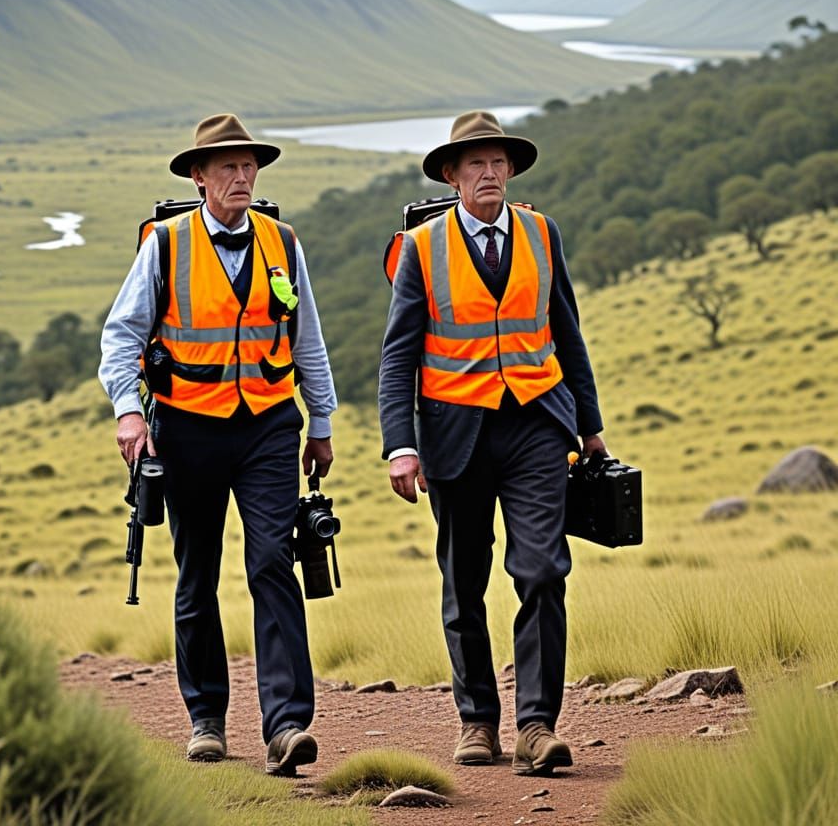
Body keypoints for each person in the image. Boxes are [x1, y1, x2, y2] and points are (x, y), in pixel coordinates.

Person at [99, 112, 337, 776]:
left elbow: (307, 342)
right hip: (186, 429)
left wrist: (320, 422)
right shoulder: (165, 246)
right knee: (196, 572)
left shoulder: (283, 242)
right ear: (199, 176)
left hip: (266, 426)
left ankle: (287, 725)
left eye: (248, 166)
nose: (241, 177)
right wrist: (128, 414)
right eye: (227, 167)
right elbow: (121, 338)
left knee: (272, 563)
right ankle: (206, 718)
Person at [378, 110, 607, 776]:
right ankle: (478, 720)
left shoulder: (542, 233)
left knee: (542, 570)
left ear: (511, 170)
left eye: (498, 162)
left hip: (538, 424)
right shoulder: (422, 248)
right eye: (474, 163)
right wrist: (401, 443)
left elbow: (568, 330)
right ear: (451, 175)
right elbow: (398, 356)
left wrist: (590, 426)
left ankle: (537, 726)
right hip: (455, 434)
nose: (488, 174)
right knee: (465, 582)